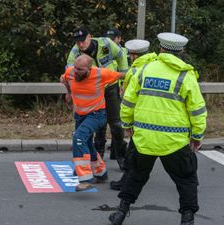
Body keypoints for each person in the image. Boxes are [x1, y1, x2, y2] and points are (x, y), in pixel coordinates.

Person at [108, 32, 207, 225]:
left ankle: (120, 213)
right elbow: (197, 110)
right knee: (186, 180)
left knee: (135, 176)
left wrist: (127, 125)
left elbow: (128, 102)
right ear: (182, 51)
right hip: (174, 142)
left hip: (144, 138)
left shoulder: (144, 70)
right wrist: (197, 135)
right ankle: (187, 219)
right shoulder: (185, 76)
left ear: (161, 49)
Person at [61, 54, 125, 191]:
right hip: (80, 115)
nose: (76, 71)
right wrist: (68, 93)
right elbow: (65, 80)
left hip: (97, 115)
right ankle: (101, 173)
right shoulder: (70, 72)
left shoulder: (101, 74)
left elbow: (123, 75)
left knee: (78, 138)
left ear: (90, 69)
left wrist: (127, 88)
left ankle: (85, 178)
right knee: (87, 143)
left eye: (80, 69)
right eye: (75, 68)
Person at [67, 27, 128, 168]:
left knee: (116, 124)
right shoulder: (75, 52)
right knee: (99, 123)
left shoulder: (105, 43)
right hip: (94, 90)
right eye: (78, 42)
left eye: (83, 41)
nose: (81, 44)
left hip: (110, 86)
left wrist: (124, 82)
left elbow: (121, 55)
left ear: (89, 37)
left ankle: (120, 155)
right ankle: (98, 157)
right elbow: (69, 71)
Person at [110, 39, 157, 190]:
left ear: (134, 56)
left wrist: (127, 123)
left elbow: (128, 99)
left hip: (140, 118)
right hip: (157, 117)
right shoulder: (155, 66)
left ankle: (126, 183)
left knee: (133, 151)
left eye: (130, 55)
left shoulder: (134, 72)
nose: (129, 57)